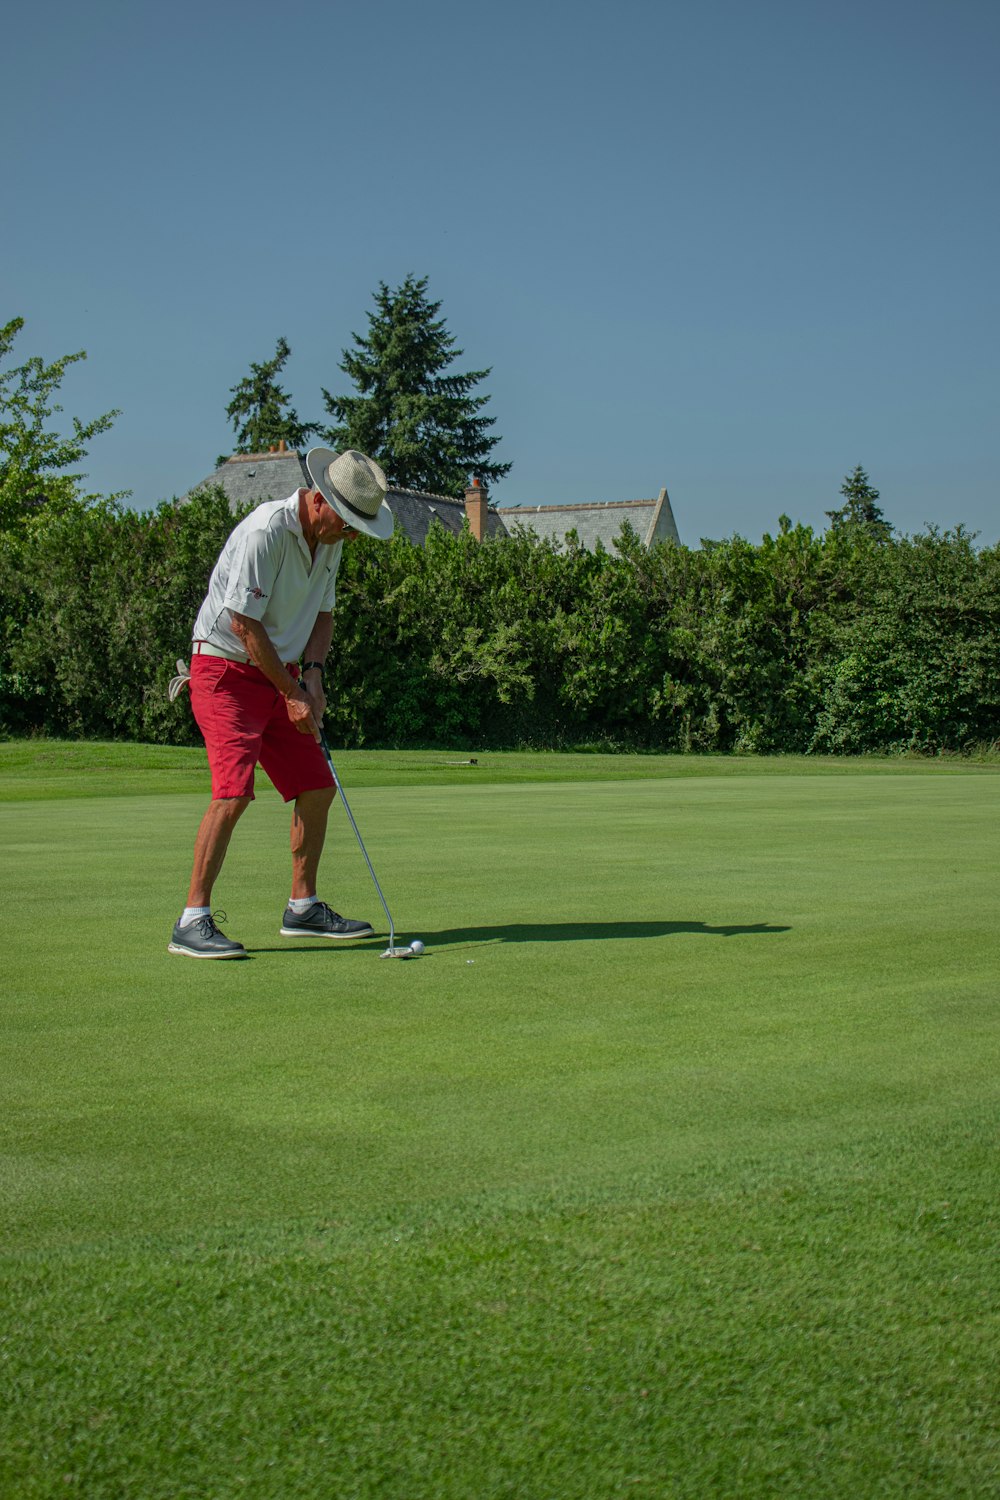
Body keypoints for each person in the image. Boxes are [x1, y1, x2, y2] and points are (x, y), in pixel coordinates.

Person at [168, 448, 394, 959]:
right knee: (233, 791)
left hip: (281, 674)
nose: (353, 534)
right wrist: (291, 692)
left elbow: (323, 616)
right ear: (319, 499)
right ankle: (191, 920)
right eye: (350, 521)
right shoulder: (264, 532)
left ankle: (303, 907)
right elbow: (243, 625)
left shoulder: (331, 539)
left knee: (317, 785)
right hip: (224, 670)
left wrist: (311, 677)